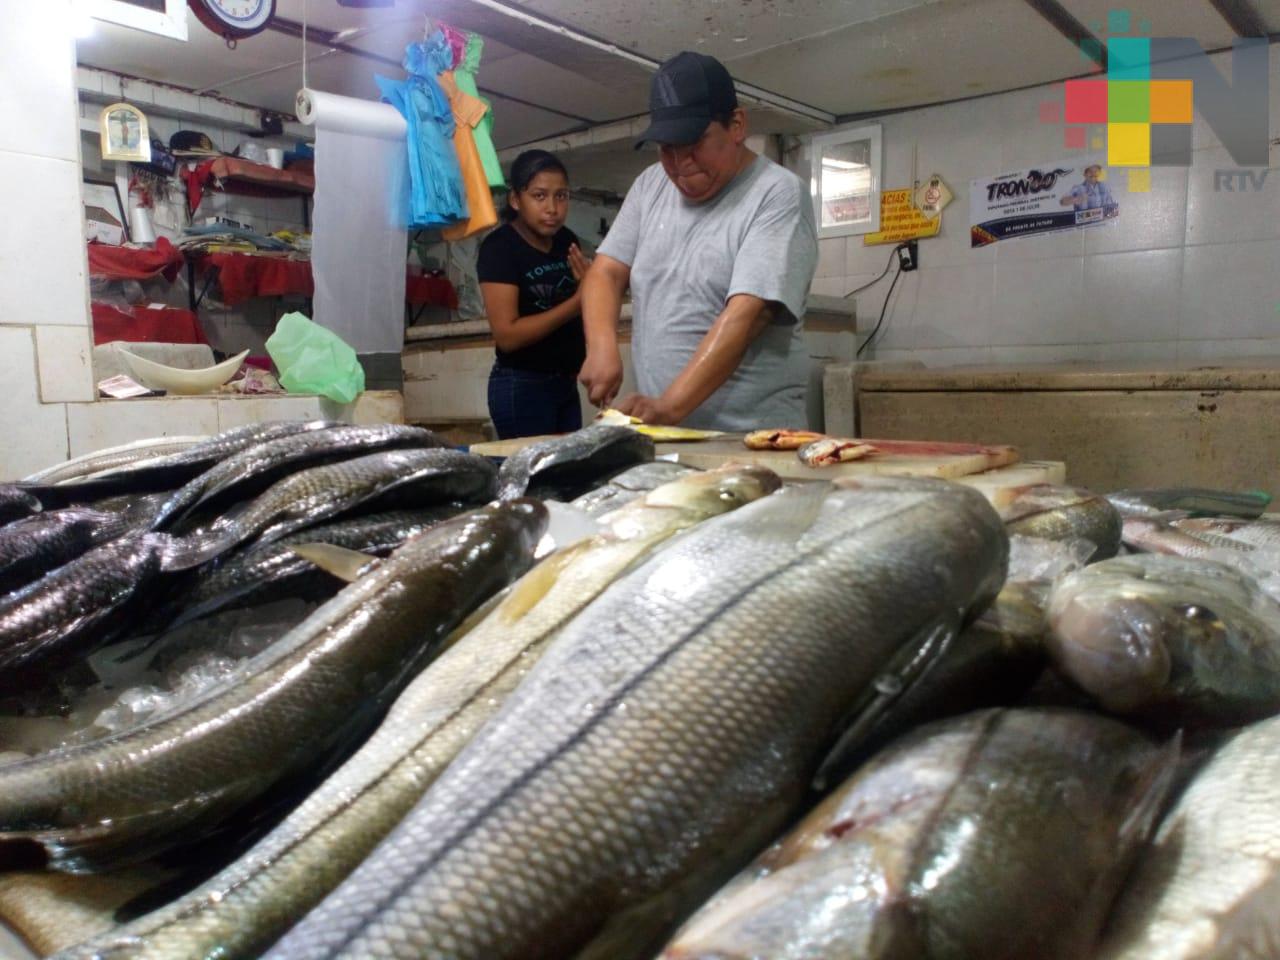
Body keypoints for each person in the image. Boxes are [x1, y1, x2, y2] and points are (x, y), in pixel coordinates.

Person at [577, 51, 818, 431]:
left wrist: (670, 406)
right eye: (666, 148)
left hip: (751, 437)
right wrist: (601, 345)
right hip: (667, 434)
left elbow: (748, 313)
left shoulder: (777, 193)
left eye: (694, 144)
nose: (678, 163)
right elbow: (605, 272)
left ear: (736, 125)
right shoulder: (649, 185)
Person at [477, 150, 592, 438]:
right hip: (522, 384)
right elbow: (508, 335)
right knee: (531, 479)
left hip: (565, 382)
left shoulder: (566, 240)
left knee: (566, 476)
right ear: (516, 200)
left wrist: (590, 289)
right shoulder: (500, 248)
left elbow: (584, 301)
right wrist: (579, 301)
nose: (553, 208)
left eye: (561, 196)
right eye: (539, 196)